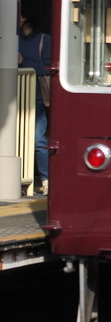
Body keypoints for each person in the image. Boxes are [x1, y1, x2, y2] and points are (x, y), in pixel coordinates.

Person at [16, 11, 50, 196]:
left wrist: (24, 62)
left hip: (35, 99)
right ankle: (20, 179)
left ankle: (46, 180)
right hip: (15, 98)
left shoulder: (45, 40)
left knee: (37, 140)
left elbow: (47, 67)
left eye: (21, 15)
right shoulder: (13, 38)